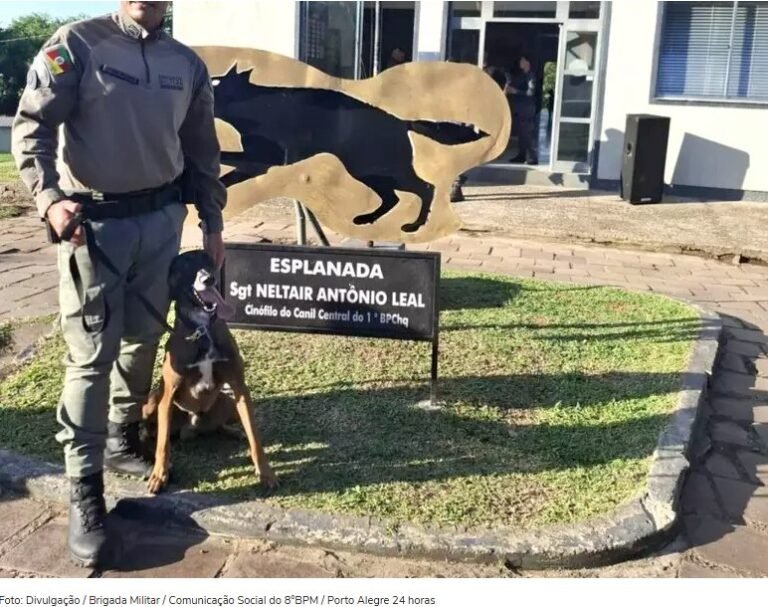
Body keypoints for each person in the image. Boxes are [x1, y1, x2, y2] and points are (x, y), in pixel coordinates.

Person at [11, 1, 225, 568]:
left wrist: (212, 221)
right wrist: (50, 200)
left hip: (160, 223)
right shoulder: (77, 43)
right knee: (91, 358)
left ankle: (121, 435)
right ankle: (86, 489)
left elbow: (203, 147)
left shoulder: (187, 63)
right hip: (92, 227)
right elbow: (31, 127)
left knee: (142, 338)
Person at [505, 54, 539, 165]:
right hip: (521, 108)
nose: (520, 62)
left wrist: (515, 91)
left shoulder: (531, 76)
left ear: (527, 63)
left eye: (523, 61)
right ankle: (521, 155)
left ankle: (533, 157)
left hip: (527, 109)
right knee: (521, 133)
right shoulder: (522, 75)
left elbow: (530, 92)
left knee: (526, 133)